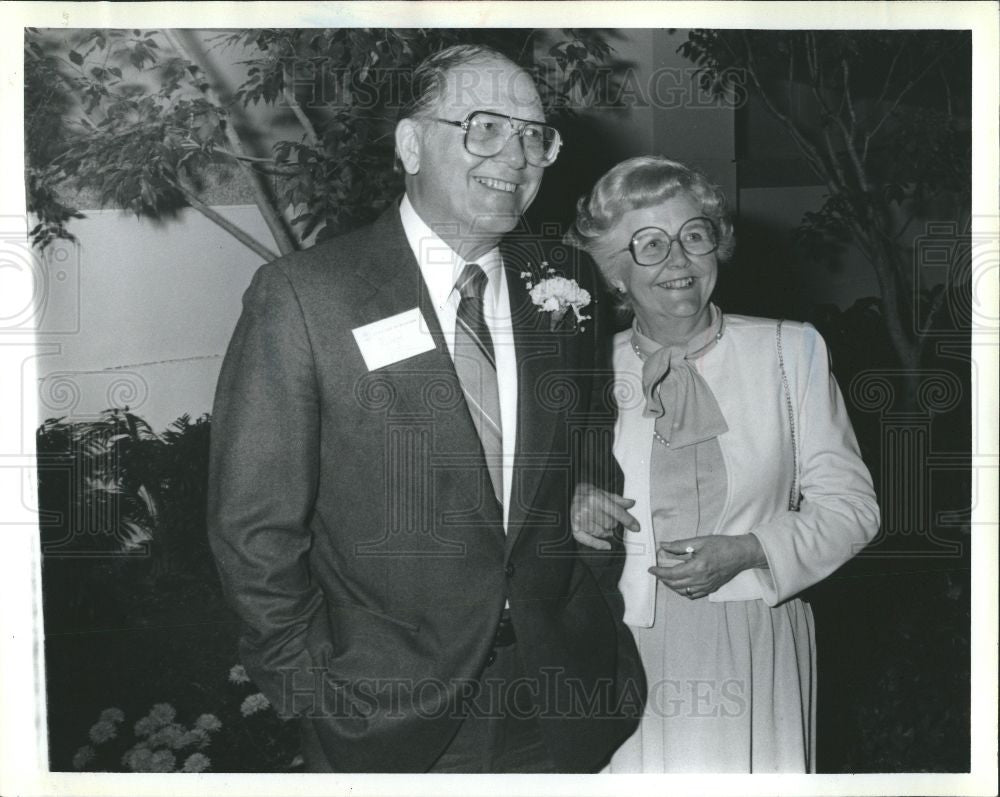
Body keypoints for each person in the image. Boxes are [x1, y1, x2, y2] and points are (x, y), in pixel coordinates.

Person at [207, 44, 644, 774]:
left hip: (556, 694)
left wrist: (588, 558)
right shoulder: (307, 297)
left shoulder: (564, 283)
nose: (517, 154)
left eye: (536, 133)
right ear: (412, 143)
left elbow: (587, 442)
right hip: (385, 713)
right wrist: (311, 685)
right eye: (484, 126)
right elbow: (252, 528)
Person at [566, 155, 880, 773]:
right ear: (615, 273)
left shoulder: (790, 350)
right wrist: (571, 505)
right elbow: (529, 504)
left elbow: (853, 510)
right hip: (625, 644)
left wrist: (751, 549)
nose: (678, 261)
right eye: (649, 245)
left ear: (716, 247)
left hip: (755, 631)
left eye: (694, 236)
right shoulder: (582, 369)